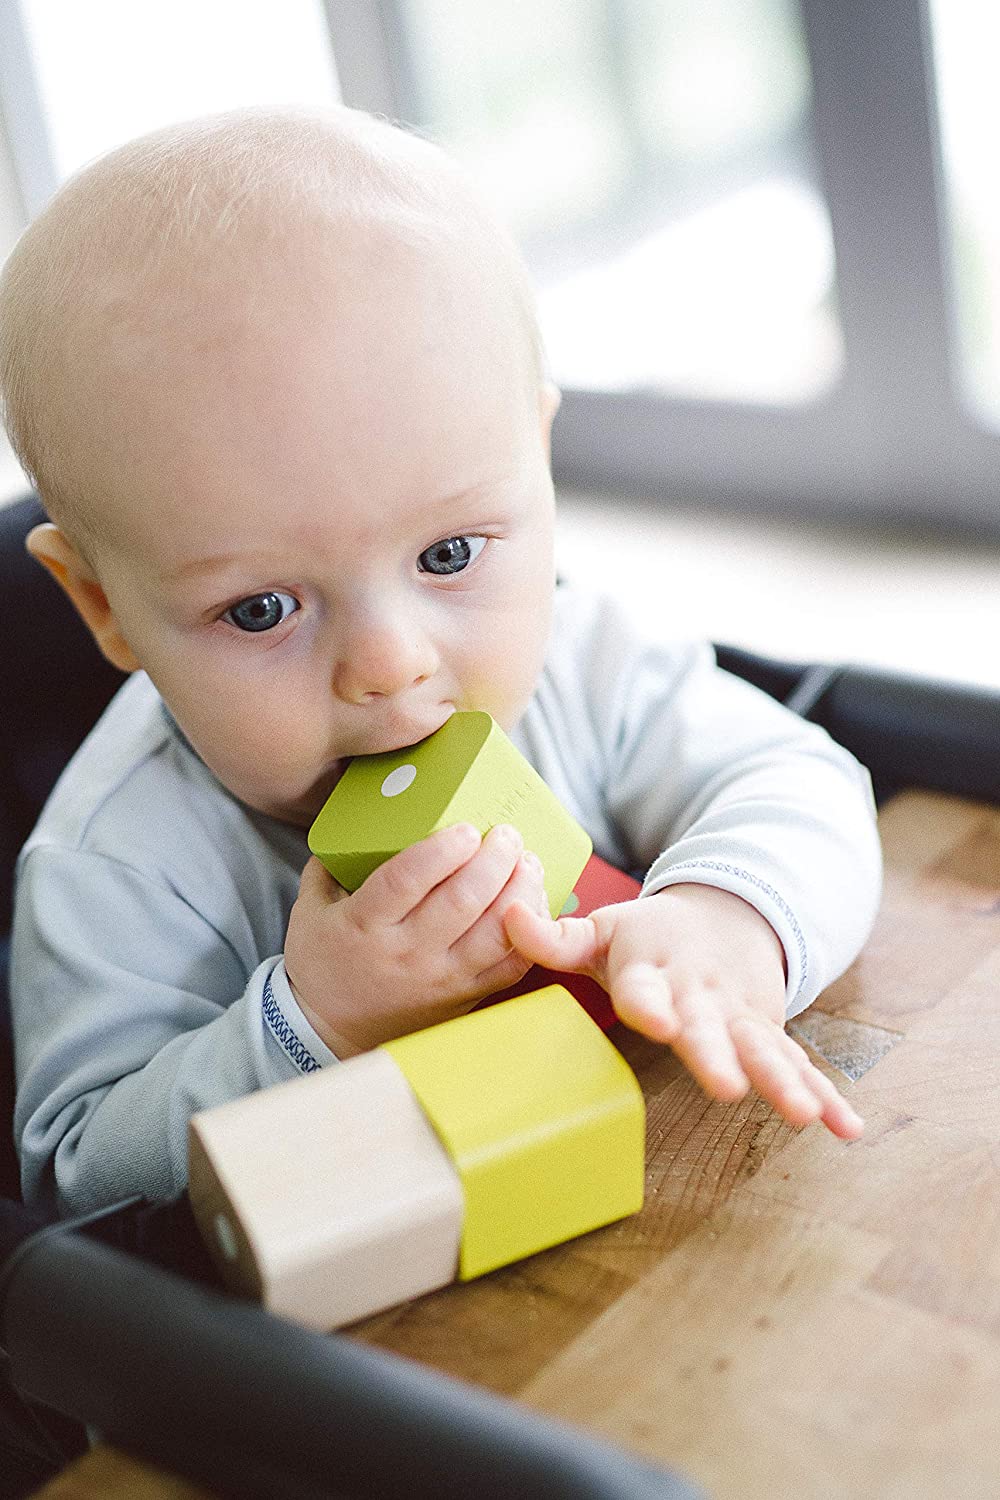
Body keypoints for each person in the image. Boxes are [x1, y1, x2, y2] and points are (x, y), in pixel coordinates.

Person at [0, 106, 881, 1217]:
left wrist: (727, 918)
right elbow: (79, 1196)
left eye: (448, 552)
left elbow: (805, 781)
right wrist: (319, 1022)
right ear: (101, 605)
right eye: (263, 608)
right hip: (354, 1350)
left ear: (539, 468)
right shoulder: (118, 866)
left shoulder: (582, 656)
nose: (388, 662)